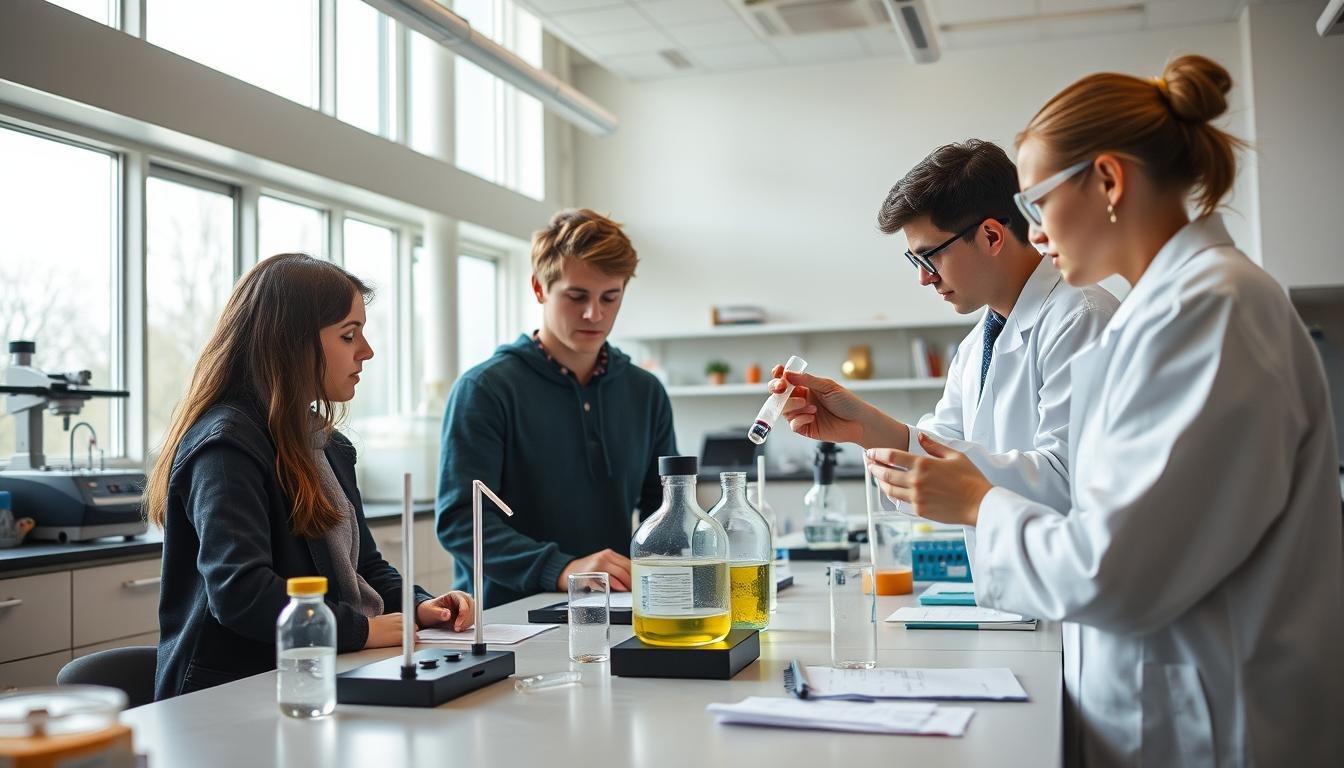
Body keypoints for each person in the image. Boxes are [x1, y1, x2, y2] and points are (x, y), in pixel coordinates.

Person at [868, 56, 1344, 766]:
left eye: (1035, 205)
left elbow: (1112, 570)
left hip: (1217, 723)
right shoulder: (1167, 311)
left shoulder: (1211, 311)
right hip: (1155, 699)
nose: (1028, 231)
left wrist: (979, 505)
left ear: (1109, 182)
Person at [146, 254, 475, 700]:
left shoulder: (327, 446)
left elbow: (366, 568)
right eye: (349, 335)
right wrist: (361, 630)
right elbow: (241, 594)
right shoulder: (226, 445)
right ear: (291, 343)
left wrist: (418, 606)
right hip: (229, 694)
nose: (367, 350)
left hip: (313, 677)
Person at [772, 139, 1117, 564]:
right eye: (914, 260)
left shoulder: (1081, 317)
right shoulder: (977, 345)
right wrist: (861, 427)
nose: (924, 279)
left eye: (930, 257)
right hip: (1013, 594)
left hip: (1071, 590)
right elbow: (942, 452)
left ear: (991, 235)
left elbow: (1069, 480)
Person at [437, 209, 676, 607]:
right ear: (539, 288)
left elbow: (666, 507)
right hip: (507, 619)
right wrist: (562, 569)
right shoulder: (485, 389)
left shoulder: (645, 391)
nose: (594, 314)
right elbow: (462, 521)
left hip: (612, 609)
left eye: (610, 297)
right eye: (576, 296)